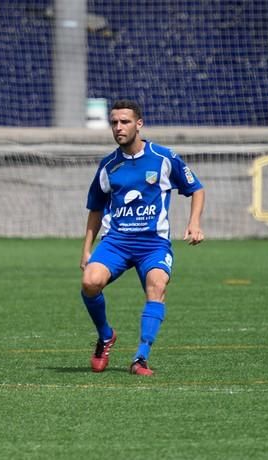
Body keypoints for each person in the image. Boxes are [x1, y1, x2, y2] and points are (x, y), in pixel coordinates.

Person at [80, 99, 205, 376]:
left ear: (139, 124)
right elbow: (96, 208)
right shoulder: (109, 165)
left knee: (157, 285)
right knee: (90, 282)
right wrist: (86, 249)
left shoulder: (163, 158)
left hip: (153, 244)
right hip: (116, 242)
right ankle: (105, 336)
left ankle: (140, 358)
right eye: (114, 122)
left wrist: (194, 223)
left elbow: (196, 188)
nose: (118, 127)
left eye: (124, 122)